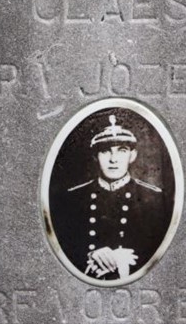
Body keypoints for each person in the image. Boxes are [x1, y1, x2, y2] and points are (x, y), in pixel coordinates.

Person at [50, 114, 170, 280]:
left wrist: (122, 261)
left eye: (122, 151)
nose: (113, 160)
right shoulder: (71, 199)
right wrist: (92, 257)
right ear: (95, 156)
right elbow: (61, 251)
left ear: (132, 155)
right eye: (105, 151)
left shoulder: (155, 198)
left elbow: (164, 258)